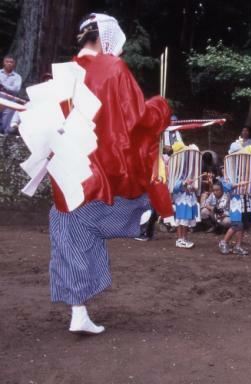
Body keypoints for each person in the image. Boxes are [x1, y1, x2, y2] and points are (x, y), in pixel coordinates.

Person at [23, 13, 172, 334]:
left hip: (68, 172)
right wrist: (161, 106)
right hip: (105, 169)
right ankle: (144, 219)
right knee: (124, 209)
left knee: (72, 232)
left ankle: (78, 311)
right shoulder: (112, 68)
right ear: (106, 38)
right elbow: (137, 117)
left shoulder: (62, 74)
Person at [0, 55, 22, 134]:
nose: (9, 63)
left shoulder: (17, 77)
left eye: (11, 62)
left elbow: (16, 89)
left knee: (5, 126)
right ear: (3, 63)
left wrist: (3, 85)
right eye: (7, 62)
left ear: (14, 64)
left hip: (9, 105)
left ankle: (4, 144)